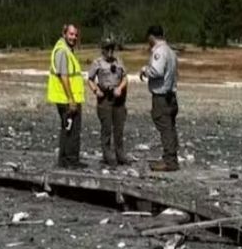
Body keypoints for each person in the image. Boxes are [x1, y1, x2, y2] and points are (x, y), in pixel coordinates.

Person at [139, 25, 179, 172]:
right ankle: (171, 156)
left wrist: (145, 70)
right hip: (171, 95)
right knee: (170, 126)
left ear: (151, 36)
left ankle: (169, 160)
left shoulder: (159, 52)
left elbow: (157, 71)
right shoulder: (170, 51)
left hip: (162, 96)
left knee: (165, 127)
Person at [47, 24, 86, 169]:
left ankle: (63, 161)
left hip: (65, 98)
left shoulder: (65, 49)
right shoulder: (62, 51)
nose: (74, 38)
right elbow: (64, 77)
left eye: (75, 35)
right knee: (72, 130)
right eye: (71, 34)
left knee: (67, 128)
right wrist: (71, 99)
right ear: (64, 34)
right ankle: (71, 161)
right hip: (67, 99)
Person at [86, 37, 129, 167]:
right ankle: (107, 155)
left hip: (118, 98)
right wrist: (95, 90)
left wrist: (120, 88)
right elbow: (90, 79)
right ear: (103, 50)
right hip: (105, 96)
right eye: (107, 48)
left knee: (119, 127)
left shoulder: (118, 61)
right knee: (106, 128)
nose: (110, 51)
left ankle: (120, 153)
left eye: (112, 48)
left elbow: (125, 77)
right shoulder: (97, 63)